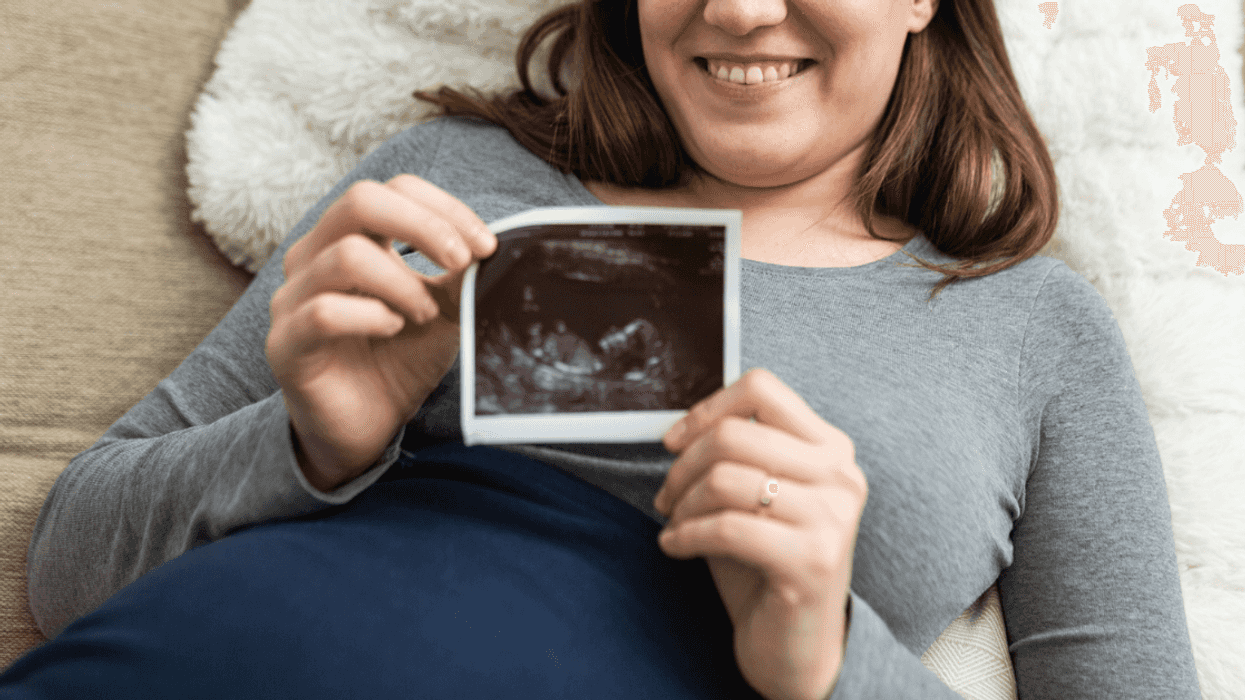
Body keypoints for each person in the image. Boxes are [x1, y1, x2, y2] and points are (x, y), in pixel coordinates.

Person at [5, 0, 1200, 698]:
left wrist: (828, 654)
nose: (735, 11)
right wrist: (309, 441)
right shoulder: (448, 176)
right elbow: (66, 563)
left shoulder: (1035, 330)